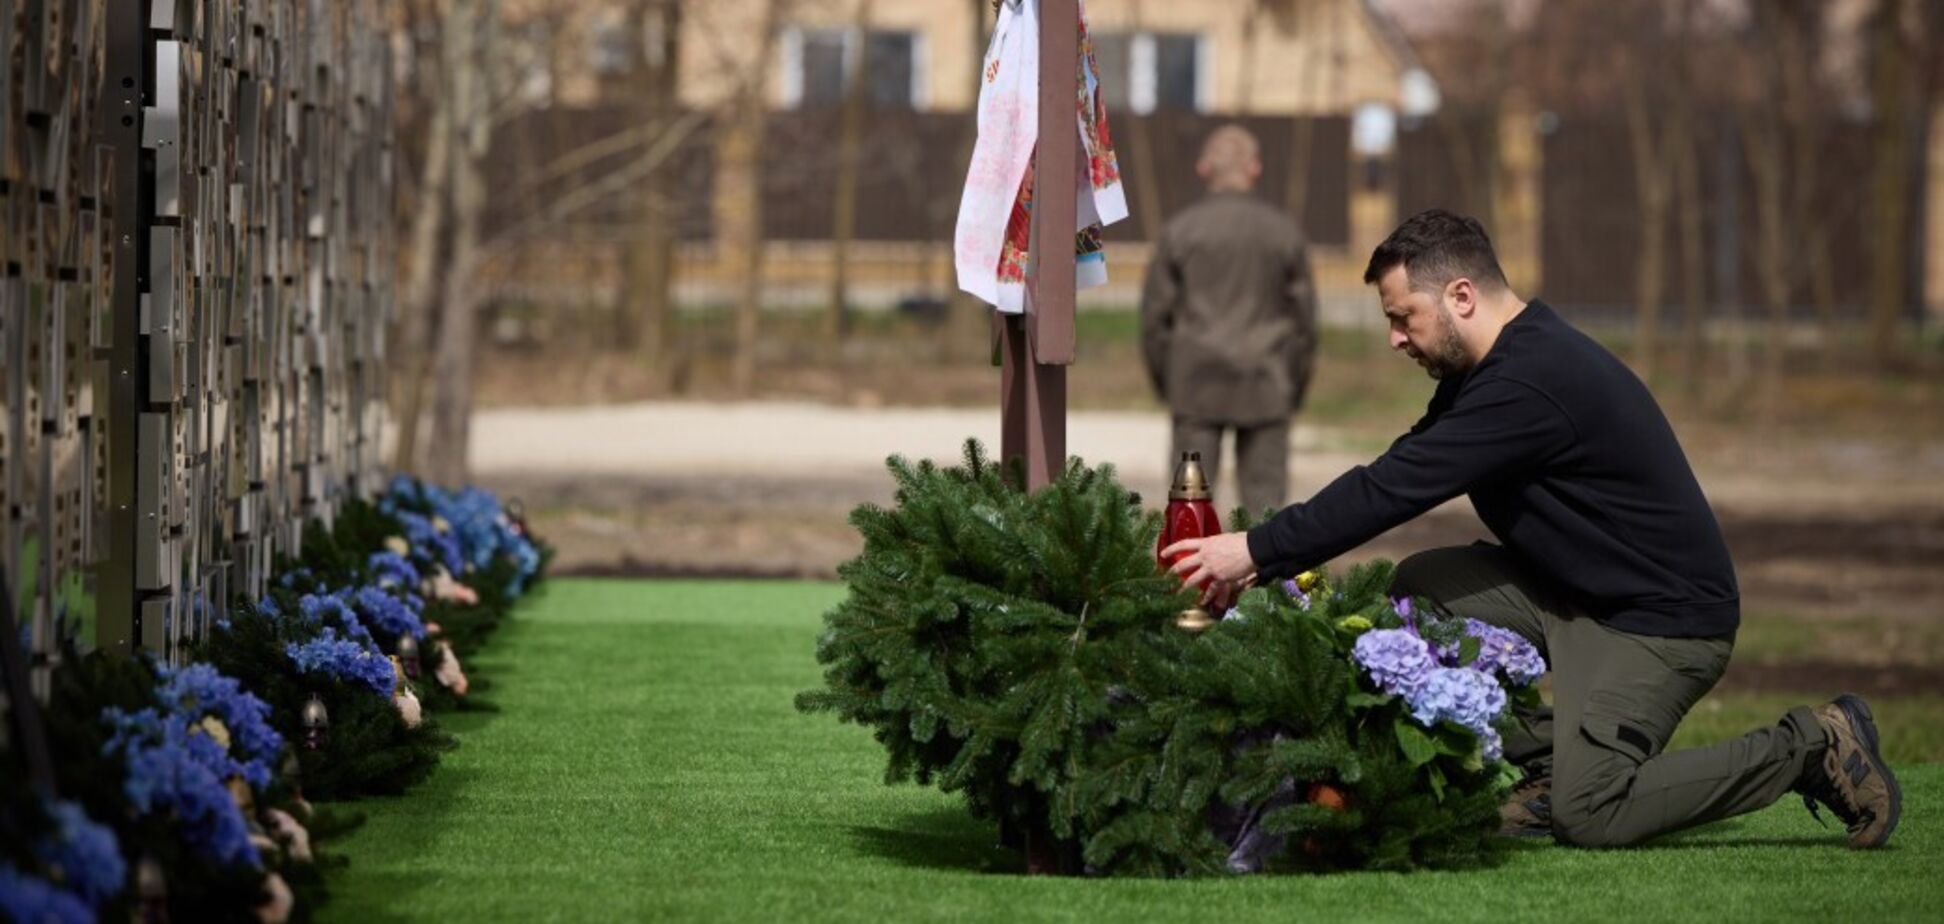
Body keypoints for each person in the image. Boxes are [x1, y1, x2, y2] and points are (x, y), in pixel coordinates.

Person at [1161, 209, 1900, 850]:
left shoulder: (1527, 384)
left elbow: (1392, 490)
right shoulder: (1485, 373)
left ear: (1460, 296)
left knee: (1593, 814)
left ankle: (1811, 744)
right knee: (1424, 591)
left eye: (1400, 317)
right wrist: (1269, 550)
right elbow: (1402, 465)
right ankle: (1547, 764)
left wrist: (1254, 551)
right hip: (1571, 595)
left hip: (1661, 624)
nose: (1394, 338)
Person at [1140, 124, 1317, 515]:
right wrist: (1294, 385)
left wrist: (1167, 381)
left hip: (1195, 383)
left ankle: (1187, 578)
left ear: (1204, 169)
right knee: (1266, 512)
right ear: (1255, 168)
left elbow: (1154, 318)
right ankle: (1268, 579)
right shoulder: (1284, 232)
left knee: (1189, 510)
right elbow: (1305, 323)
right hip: (1267, 381)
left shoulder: (1179, 231)